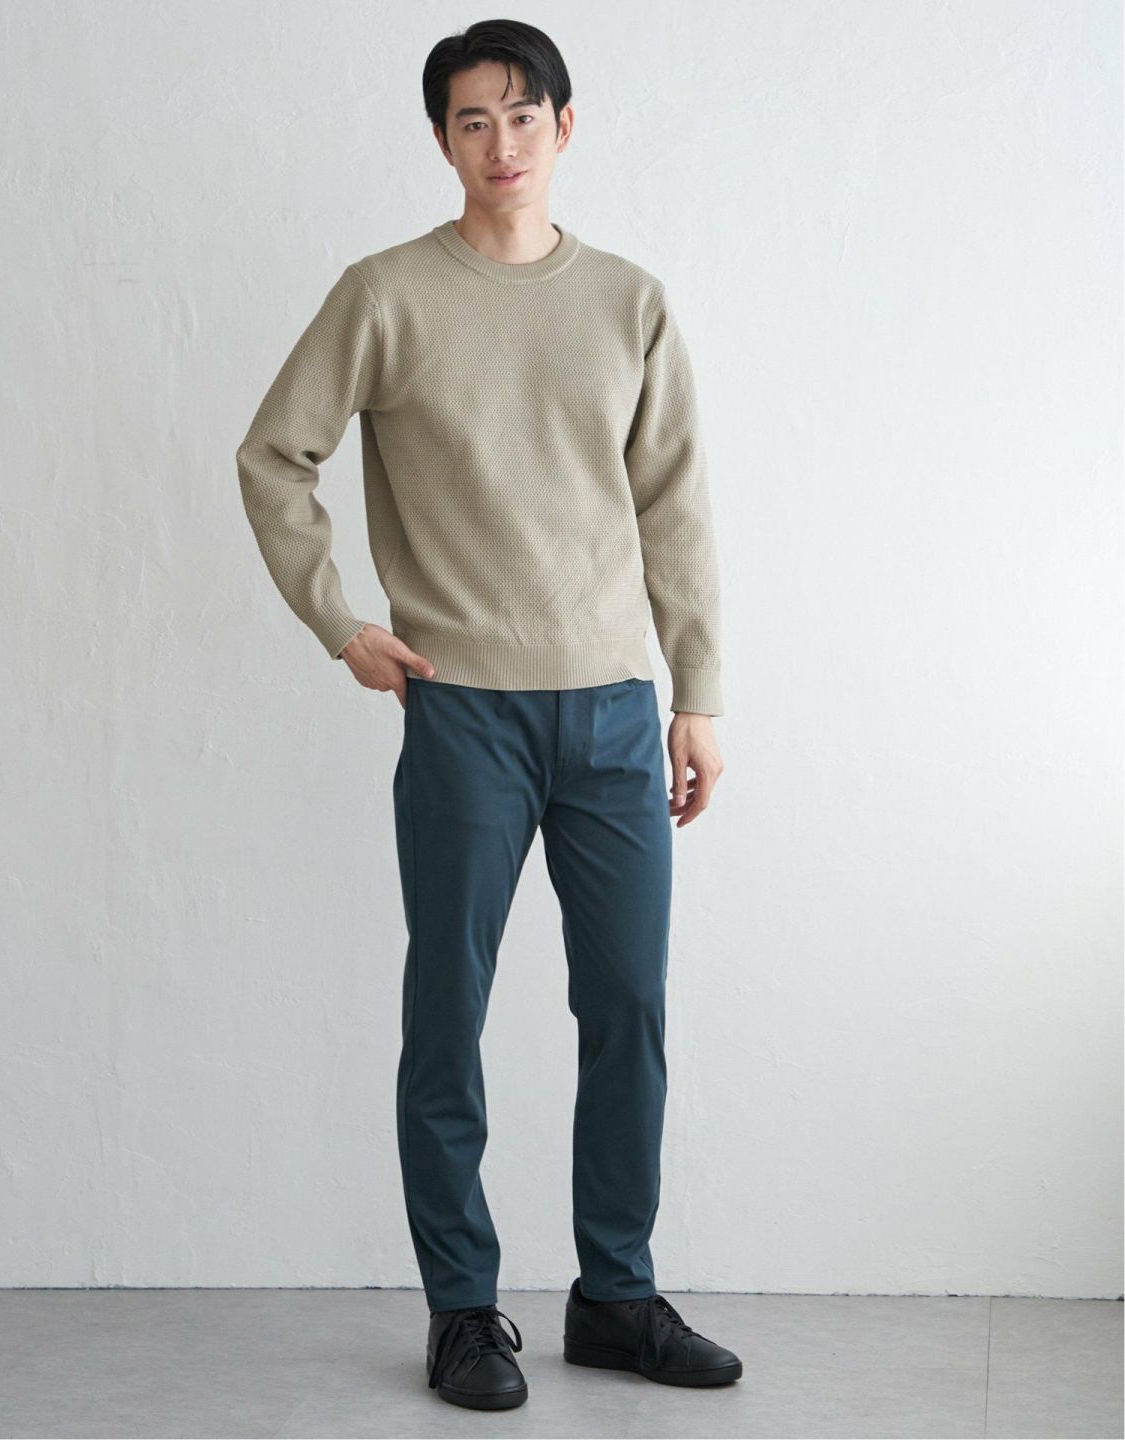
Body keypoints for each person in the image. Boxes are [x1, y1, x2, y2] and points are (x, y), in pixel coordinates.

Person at [235, 16, 743, 1413]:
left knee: (628, 1005)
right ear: (441, 139)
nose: (501, 143)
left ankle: (616, 1296)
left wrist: (698, 694)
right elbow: (274, 455)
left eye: (524, 116)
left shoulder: (629, 301)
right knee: (448, 1009)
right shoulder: (386, 295)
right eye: (472, 120)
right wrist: (338, 620)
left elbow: (675, 508)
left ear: (565, 127)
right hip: (461, 707)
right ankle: (463, 1309)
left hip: (615, 709)